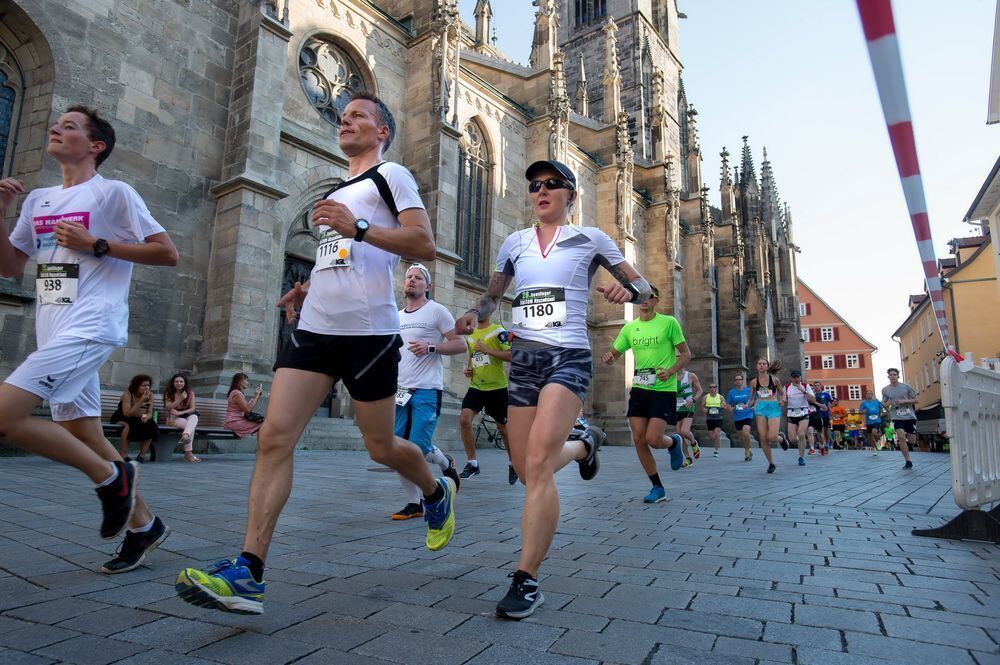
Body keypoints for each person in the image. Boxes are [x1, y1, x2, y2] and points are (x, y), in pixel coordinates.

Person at [176, 92, 456, 615]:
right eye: (344, 115)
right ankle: (249, 572)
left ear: (382, 133)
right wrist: (310, 290)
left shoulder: (390, 175)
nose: (346, 119)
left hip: (369, 335)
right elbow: (342, 258)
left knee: (380, 446)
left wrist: (361, 228)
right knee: (275, 440)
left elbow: (422, 244)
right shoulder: (339, 186)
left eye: (359, 116)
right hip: (314, 331)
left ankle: (435, 491)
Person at [454, 158, 653, 620]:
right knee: (526, 470)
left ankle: (526, 579)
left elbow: (646, 288)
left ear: (570, 195)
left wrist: (631, 294)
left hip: (568, 356)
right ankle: (585, 445)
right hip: (523, 361)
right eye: (534, 186)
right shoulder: (514, 243)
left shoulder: (592, 239)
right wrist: (474, 314)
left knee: (539, 464)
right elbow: (493, 293)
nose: (541, 191)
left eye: (552, 185)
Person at [0, 106, 175, 574]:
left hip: (91, 325)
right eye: (56, 124)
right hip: (52, 328)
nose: (57, 128)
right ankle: (144, 526)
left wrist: (96, 244)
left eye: (70, 126)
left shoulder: (113, 193)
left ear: (95, 145)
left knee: (3, 418)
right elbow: (11, 267)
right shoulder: (38, 199)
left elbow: (166, 252)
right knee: (84, 430)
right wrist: (0, 214)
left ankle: (112, 479)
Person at [390, 263, 465, 520]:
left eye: (418, 278)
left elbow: (460, 344)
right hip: (400, 389)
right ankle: (414, 504)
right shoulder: (396, 316)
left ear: (428, 286)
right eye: (409, 277)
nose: (412, 280)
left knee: (418, 446)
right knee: (398, 449)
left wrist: (431, 346)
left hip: (427, 389)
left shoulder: (437, 311)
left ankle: (445, 466)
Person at [603, 285, 689, 503]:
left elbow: (686, 354)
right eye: (639, 296)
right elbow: (616, 352)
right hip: (640, 389)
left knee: (653, 439)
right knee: (639, 439)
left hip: (663, 389)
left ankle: (673, 443)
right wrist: (610, 357)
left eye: (649, 296)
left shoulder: (669, 323)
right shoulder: (630, 328)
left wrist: (670, 371)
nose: (644, 299)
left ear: (656, 300)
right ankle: (657, 487)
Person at [458, 312, 516, 485]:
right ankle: (472, 463)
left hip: (497, 387)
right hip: (476, 386)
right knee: (464, 420)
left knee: (503, 429)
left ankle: (513, 463)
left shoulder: (498, 331)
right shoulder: (469, 333)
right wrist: (468, 369)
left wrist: (488, 350)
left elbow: (511, 355)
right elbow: (472, 355)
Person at [747, 357, 785, 473]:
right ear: (757, 366)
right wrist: (746, 405)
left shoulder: (775, 380)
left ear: (767, 366)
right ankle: (771, 463)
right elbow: (751, 399)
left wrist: (782, 400)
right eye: (759, 364)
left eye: (764, 364)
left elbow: (783, 394)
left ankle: (781, 439)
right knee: (763, 438)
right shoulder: (753, 382)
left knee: (771, 437)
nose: (761, 365)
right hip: (760, 409)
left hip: (773, 407)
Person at [110, 374, 159, 463]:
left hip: (139, 417)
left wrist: (145, 417)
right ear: (136, 386)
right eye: (144, 385)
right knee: (127, 426)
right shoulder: (128, 394)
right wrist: (141, 401)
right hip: (123, 417)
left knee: (151, 426)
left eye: (148, 385)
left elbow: (149, 413)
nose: (147, 388)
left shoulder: (151, 395)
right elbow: (127, 413)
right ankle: (123, 454)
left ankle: (142, 455)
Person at [881, 368, 915, 469]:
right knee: (901, 437)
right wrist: (887, 404)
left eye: (894, 374)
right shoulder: (885, 389)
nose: (892, 376)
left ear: (898, 376)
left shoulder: (906, 387)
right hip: (896, 416)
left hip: (909, 415)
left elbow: (916, 400)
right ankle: (908, 461)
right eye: (891, 375)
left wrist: (904, 402)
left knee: (912, 441)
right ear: (888, 377)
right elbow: (884, 403)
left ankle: (908, 446)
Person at [163, 374, 201, 463]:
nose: (179, 383)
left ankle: (185, 436)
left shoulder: (190, 393)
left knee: (194, 417)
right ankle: (188, 454)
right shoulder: (169, 393)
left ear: (185, 383)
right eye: (176, 381)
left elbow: (192, 409)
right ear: (173, 383)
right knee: (191, 427)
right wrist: (180, 399)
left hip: (186, 416)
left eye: (181, 381)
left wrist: (180, 412)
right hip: (173, 419)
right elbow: (168, 407)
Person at [785, 370, 818, 466]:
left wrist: (803, 391)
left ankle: (801, 457)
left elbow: (813, 399)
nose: (796, 379)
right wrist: (782, 401)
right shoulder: (787, 387)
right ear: (791, 378)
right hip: (791, 413)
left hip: (803, 412)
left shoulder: (806, 386)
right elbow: (784, 398)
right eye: (794, 377)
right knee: (792, 439)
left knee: (801, 434)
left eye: (797, 377)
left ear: (800, 378)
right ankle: (798, 443)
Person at [675, 369, 703, 466]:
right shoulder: (671, 376)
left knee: (684, 431)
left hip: (687, 408)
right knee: (679, 436)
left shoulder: (690, 375)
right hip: (676, 409)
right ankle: (688, 458)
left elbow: (700, 390)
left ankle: (693, 442)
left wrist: (693, 399)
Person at [223, 373, 264, 438]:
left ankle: (262, 445)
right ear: (240, 381)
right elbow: (247, 409)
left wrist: (256, 396)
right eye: (246, 380)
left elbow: (248, 408)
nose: (248, 383)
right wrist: (256, 396)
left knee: (263, 424)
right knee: (264, 424)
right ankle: (262, 446)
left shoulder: (237, 393)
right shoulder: (236, 393)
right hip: (233, 422)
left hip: (237, 421)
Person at [725, 373, 754, 462]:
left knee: (746, 433)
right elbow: (728, 404)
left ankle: (747, 451)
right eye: (736, 379)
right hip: (737, 416)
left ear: (742, 381)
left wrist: (752, 406)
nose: (738, 381)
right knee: (742, 437)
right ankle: (747, 448)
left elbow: (754, 399)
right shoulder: (732, 392)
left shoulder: (748, 390)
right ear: (734, 382)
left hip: (748, 414)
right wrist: (730, 408)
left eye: (740, 379)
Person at [702, 382, 725, 458]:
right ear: (709, 389)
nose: (712, 389)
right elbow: (703, 407)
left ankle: (716, 450)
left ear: (716, 388)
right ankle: (717, 438)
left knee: (716, 434)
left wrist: (723, 406)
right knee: (712, 437)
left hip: (718, 418)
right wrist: (704, 409)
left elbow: (724, 405)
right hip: (709, 419)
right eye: (711, 387)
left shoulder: (720, 397)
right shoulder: (705, 397)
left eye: (714, 387)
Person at [810, 380, 833, 453]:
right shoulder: (812, 395)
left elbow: (832, 402)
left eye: (818, 385)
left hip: (825, 414)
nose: (817, 387)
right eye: (815, 386)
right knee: (819, 430)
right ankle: (822, 445)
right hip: (817, 415)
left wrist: (828, 408)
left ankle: (827, 442)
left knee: (825, 430)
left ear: (821, 386)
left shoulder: (826, 394)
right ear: (813, 387)